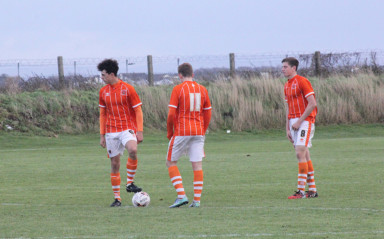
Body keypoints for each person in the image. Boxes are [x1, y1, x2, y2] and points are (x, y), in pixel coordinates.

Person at [98, 59, 144, 207]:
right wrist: (102, 135)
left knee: (133, 149)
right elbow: (103, 114)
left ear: (112, 74)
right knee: (115, 164)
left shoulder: (128, 89)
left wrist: (140, 130)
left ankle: (130, 183)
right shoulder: (103, 92)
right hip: (111, 131)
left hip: (127, 128)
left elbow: (138, 110)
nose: (102, 77)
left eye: (104, 75)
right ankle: (117, 199)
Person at [166, 63, 212, 208]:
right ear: (193, 74)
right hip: (199, 131)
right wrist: (202, 130)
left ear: (180, 75)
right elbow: (208, 113)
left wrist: (169, 132)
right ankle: (196, 200)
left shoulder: (178, 89)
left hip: (182, 131)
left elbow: (171, 114)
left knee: (171, 162)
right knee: (197, 164)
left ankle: (181, 196)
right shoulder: (203, 89)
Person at [282, 57, 318, 199]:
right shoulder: (286, 85)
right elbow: (288, 108)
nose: (283, 69)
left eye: (285, 67)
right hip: (293, 122)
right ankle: (312, 190)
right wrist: (288, 128)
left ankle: (301, 191)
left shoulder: (302, 81)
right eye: (283, 67)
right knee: (304, 154)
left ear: (294, 68)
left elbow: (312, 103)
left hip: (305, 121)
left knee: (299, 153)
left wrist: (300, 121)